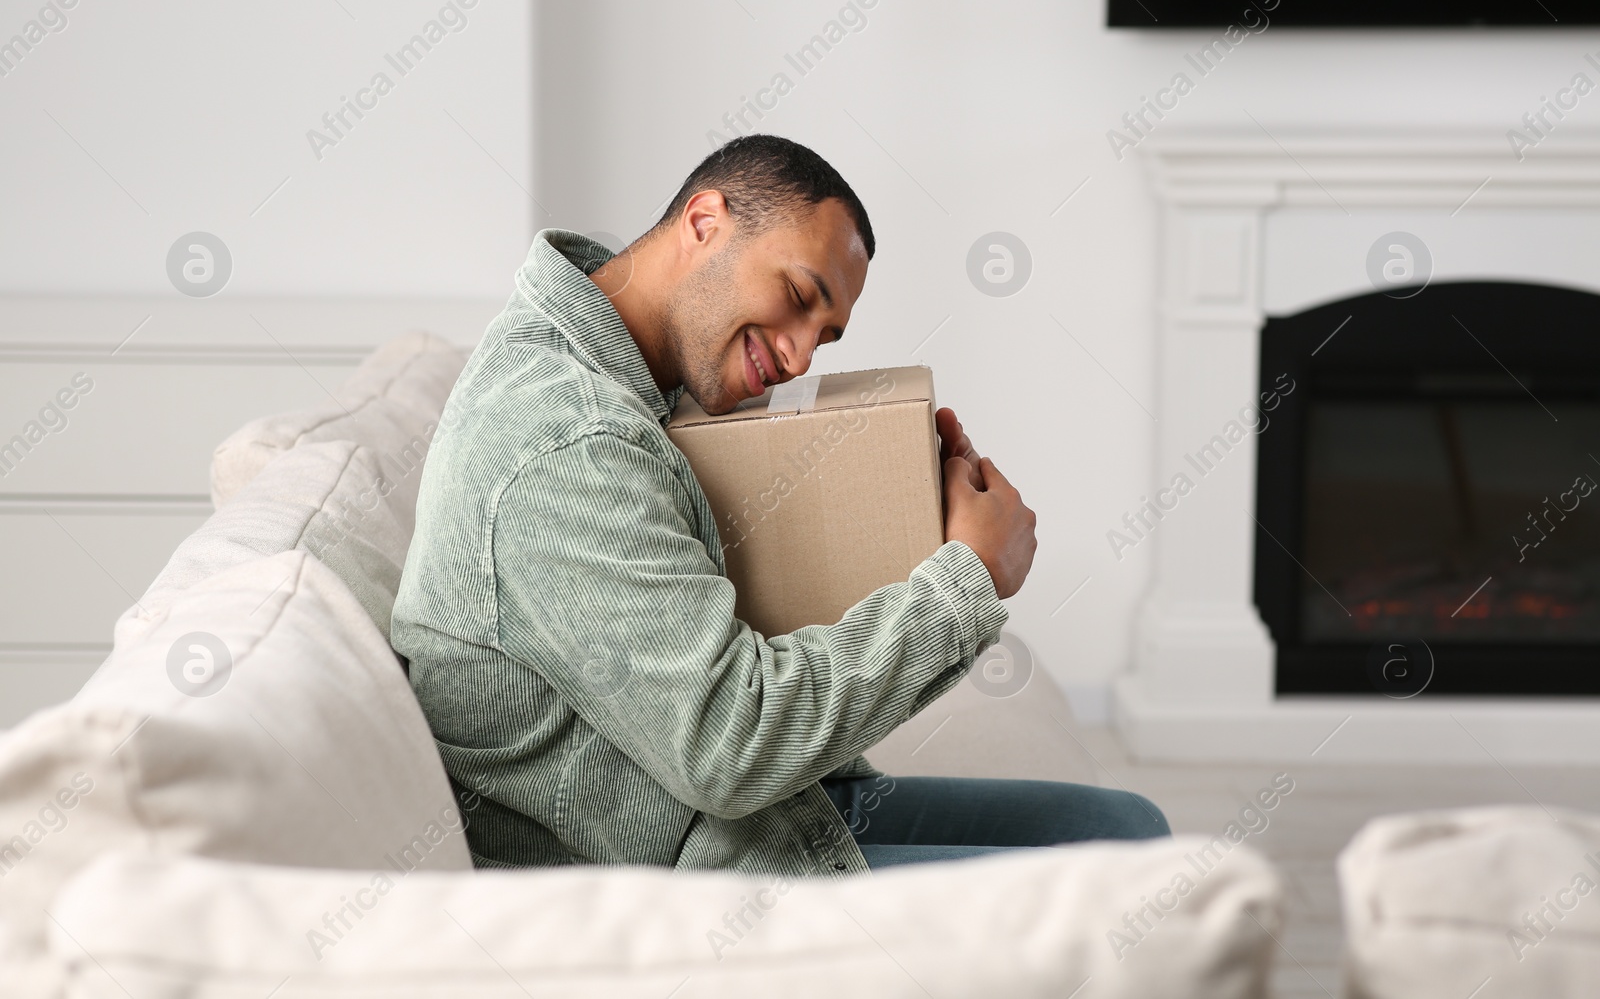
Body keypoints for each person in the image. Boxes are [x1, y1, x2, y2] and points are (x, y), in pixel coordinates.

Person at [391, 134, 1168, 875]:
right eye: (798, 296)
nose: (797, 356)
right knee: (1136, 886)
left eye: (823, 336)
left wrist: (911, 516)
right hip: (685, 878)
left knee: (1129, 831)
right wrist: (966, 580)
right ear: (704, 222)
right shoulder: (567, 438)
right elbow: (730, 743)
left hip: (749, 822)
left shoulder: (620, 374)